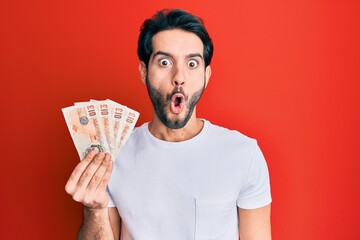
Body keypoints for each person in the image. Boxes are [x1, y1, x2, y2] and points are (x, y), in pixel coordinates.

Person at [65, 9, 272, 240]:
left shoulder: (244, 154)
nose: (179, 76)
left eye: (192, 64)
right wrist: (94, 210)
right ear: (144, 71)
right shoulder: (113, 154)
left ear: (207, 75)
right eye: (164, 62)